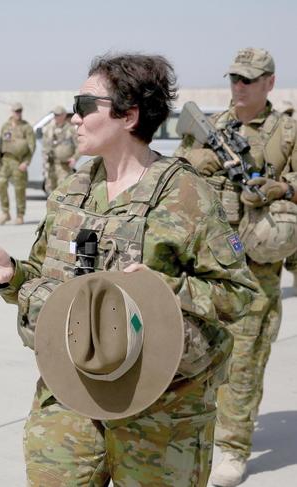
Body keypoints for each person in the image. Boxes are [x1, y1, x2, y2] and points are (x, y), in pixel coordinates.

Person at [0, 53, 258, 486]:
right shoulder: (74, 189)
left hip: (161, 414)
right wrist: (14, 276)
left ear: (128, 115)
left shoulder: (186, 194)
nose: (75, 119)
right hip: (70, 398)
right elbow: (56, 285)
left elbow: (240, 295)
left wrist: (166, 289)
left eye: (85, 105)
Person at [175, 47, 297, 487]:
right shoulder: (213, 128)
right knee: (195, 356)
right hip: (206, 265)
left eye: (249, 79)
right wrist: (197, 162)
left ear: (269, 81)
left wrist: (281, 187)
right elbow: (177, 183)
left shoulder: (287, 131)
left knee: (244, 362)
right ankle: (199, 438)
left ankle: (233, 448)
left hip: (256, 270)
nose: (239, 87)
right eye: (234, 79)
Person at [0, 102, 35, 225]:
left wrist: (26, 162)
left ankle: (20, 215)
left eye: (20, 111)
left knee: (19, 189)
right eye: (16, 111)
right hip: (6, 161)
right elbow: (0, 144)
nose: (18, 113)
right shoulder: (5, 126)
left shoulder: (26, 127)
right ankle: (5, 212)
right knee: (0, 184)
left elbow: (32, 146)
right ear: (11, 112)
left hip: (19, 162)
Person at [42, 105, 79, 193]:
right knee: (51, 190)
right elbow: (45, 146)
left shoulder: (70, 129)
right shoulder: (48, 129)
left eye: (58, 115)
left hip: (64, 166)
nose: (56, 117)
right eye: (55, 115)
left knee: (63, 190)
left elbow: (79, 146)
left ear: (64, 115)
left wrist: (75, 158)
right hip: (51, 165)